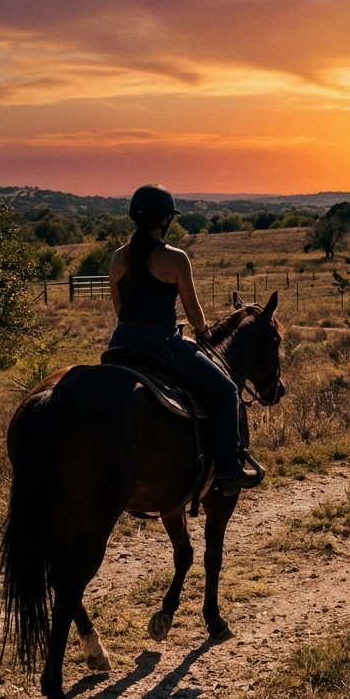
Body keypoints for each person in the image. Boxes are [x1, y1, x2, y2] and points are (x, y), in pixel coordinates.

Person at [107, 184, 260, 495]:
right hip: (162, 345)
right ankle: (229, 470)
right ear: (166, 220)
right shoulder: (175, 259)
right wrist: (203, 332)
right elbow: (193, 312)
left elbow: (119, 308)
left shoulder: (117, 258)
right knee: (225, 390)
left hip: (120, 343)